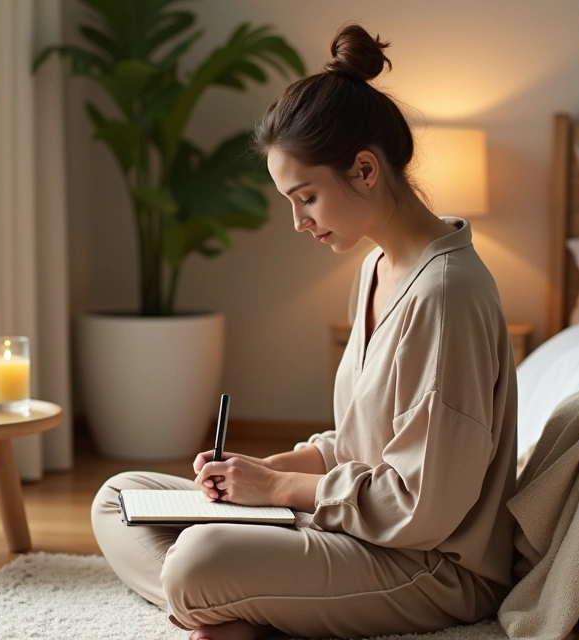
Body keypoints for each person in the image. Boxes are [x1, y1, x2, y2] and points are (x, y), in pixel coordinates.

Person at [91, 23, 518, 640]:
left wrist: (279, 489)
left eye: (307, 197)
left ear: (365, 170)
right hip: (350, 531)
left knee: (196, 561)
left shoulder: (446, 295)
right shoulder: (376, 267)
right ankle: (250, 612)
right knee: (118, 497)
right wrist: (259, 471)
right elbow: (356, 442)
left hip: (431, 567)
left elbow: (424, 508)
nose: (298, 222)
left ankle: (239, 608)